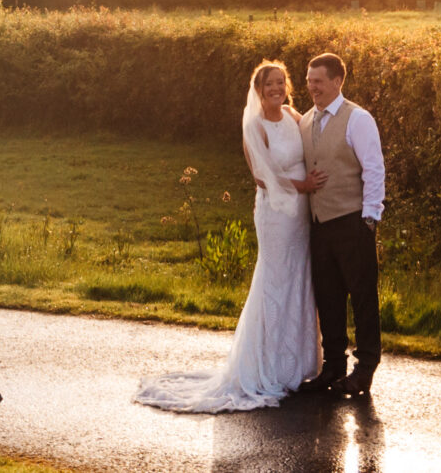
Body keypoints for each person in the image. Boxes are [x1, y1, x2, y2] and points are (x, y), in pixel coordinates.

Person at [135, 62, 320, 411]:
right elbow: (262, 177)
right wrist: (304, 185)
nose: (276, 88)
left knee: (298, 278)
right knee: (275, 280)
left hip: (301, 215)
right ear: (258, 88)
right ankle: (268, 368)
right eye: (270, 84)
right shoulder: (255, 124)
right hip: (277, 213)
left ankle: (297, 365)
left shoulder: (294, 115)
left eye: (281, 82)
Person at [292, 51, 383, 402]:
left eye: (318, 81)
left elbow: (374, 168)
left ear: (336, 81)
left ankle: (365, 368)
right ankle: (333, 365)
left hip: (353, 219)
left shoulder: (357, 119)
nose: (312, 87)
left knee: (362, 296)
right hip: (319, 223)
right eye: (309, 81)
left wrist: (370, 218)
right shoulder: (306, 120)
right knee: (327, 297)